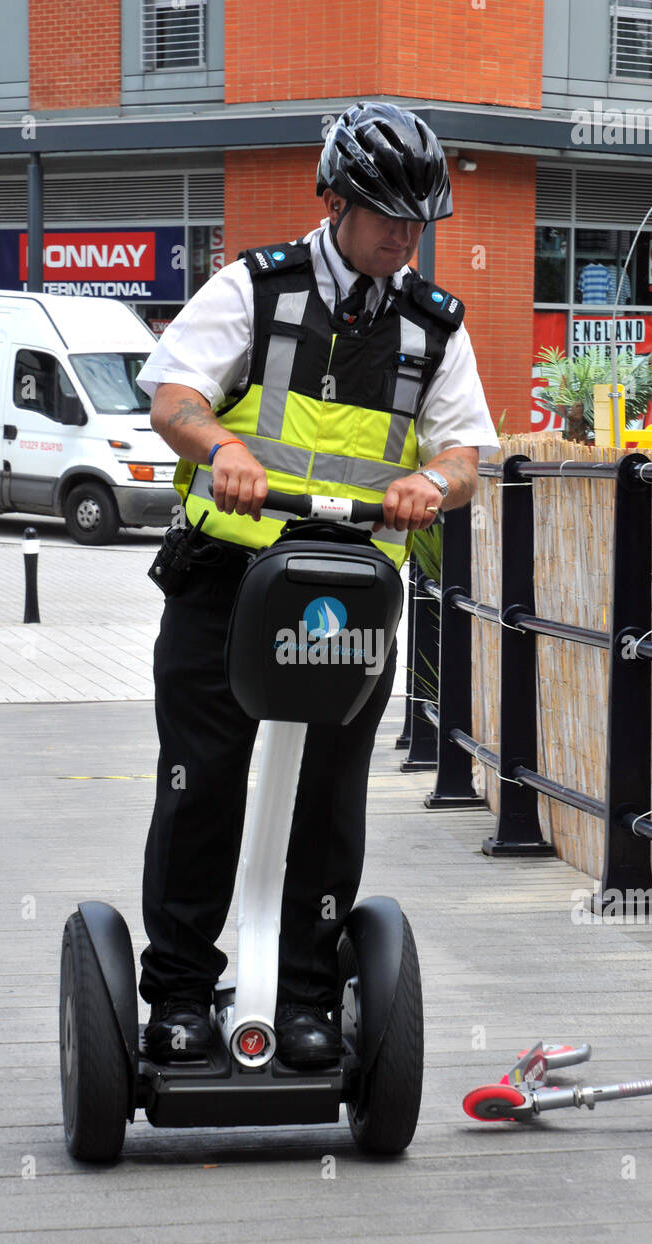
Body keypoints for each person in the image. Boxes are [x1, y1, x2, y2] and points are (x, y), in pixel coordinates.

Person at [137, 102, 499, 1068]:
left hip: (346, 592)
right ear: (334, 199)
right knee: (201, 782)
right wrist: (221, 449)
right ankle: (175, 993)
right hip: (226, 579)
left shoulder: (432, 326)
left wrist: (433, 482)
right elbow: (171, 394)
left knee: (331, 794)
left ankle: (303, 998)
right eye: (385, 212)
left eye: (418, 216)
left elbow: (463, 449)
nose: (403, 233)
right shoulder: (255, 289)